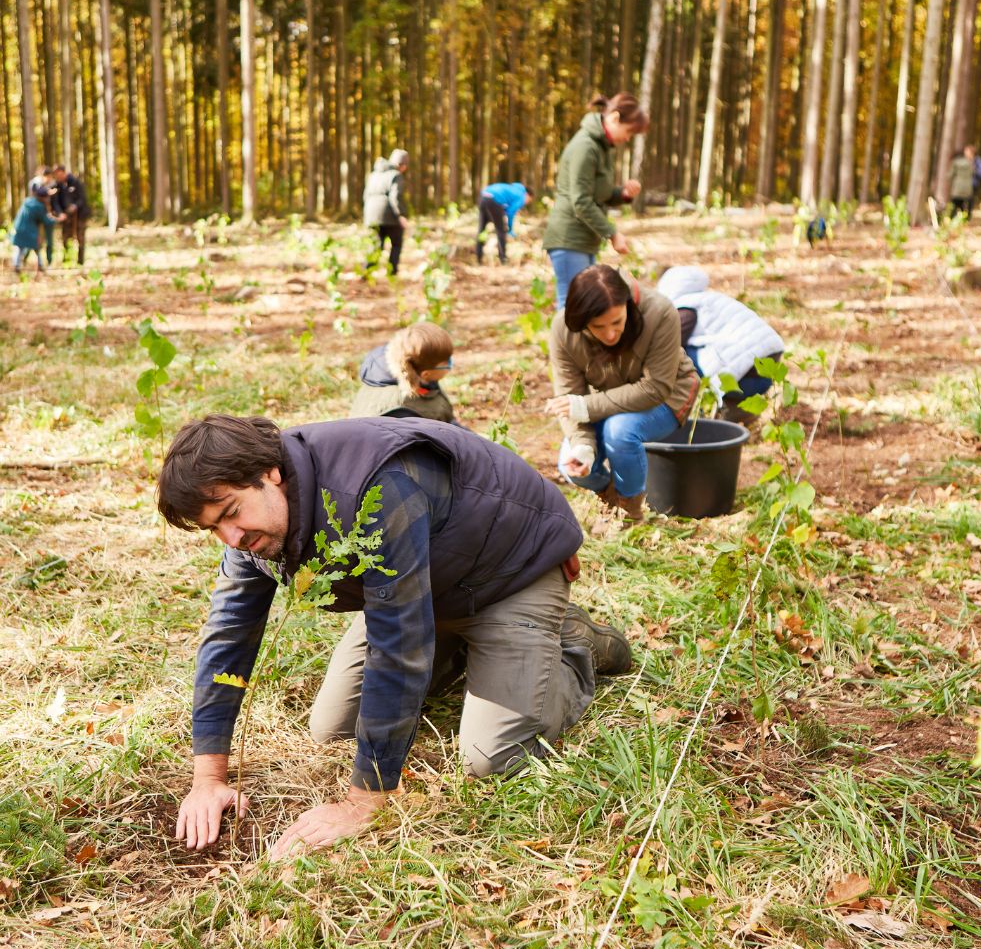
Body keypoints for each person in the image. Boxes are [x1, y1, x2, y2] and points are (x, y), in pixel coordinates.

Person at [158, 413, 632, 857]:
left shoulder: (374, 488)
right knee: (333, 728)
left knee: (490, 757)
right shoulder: (252, 528)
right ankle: (476, 651)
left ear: (270, 473)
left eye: (231, 513)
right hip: (422, 588)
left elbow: (399, 645)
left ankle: (571, 642)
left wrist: (365, 802)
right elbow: (229, 633)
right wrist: (208, 779)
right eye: (213, 528)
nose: (231, 538)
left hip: (509, 576)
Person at [545, 265, 699, 522]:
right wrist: (583, 445)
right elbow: (570, 396)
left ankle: (630, 514)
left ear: (627, 304)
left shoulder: (659, 312)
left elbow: (656, 387)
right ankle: (611, 497)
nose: (610, 334)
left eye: (617, 322)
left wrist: (586, 407)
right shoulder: (564, 331)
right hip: (611, 399)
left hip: (669, 395)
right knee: (570, 464)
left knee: (619, 432)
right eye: (598, 327)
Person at [542, 93, 649, 309]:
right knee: (573, 307)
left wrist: (624, 193)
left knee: (587, 306)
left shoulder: (602, 147)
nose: (627, 138)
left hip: (584, 240)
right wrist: (612, 233)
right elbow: (581, 201)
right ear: (615, 118)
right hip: (569, 238)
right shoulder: (585, 146)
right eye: (629, 132)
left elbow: (600, 194)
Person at [657, 266, 784, 425]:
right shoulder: (709, 301)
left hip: (744, 378)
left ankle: (689, 413)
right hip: (763, 377)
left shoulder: (685, 308)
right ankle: (735, 411)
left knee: (677, 355)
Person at [350, 321, 456, 422]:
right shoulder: (403, 410)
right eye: (447, 362)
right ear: (425, 374)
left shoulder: (391, 370)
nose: (451, 363)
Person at [363, 149, 409, 276]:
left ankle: (367, 272)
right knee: (396, 244)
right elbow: (395, 197)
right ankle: (392, 273)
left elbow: (365, 196)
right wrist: (401, 215)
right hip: (389, 215)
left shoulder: (374, 174)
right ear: (401, 165)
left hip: (371, 214)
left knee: (375, 245)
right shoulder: (396, 175)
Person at [10, 184, 64, 277]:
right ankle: (38, 265)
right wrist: (58, 219)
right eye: (46, 197)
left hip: (19, 227)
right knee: (35, 247)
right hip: (29, 230)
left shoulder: (28, 201)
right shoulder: (39, 206)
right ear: (42, 197)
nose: (48, 199)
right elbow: (46, 220)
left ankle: (18, 265)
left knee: (21, 247)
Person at [475, 182, 533, 264]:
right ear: (527, 195)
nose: (527, 202)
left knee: (481, 229)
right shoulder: (521, 196)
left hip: (483, 196)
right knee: (501, 230)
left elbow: (505, 209)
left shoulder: (512, 189)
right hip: (494, 200)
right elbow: (511, 212)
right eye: (529, 200)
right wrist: (510, 228)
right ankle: (503, 259)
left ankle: (478, 257)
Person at [52, 166, 91, 266]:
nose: (58, 177)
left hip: (80, 215)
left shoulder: (76, 182)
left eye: (59, 175)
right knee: (66, 238)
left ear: (63, 172)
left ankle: (80, 261)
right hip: (66, 216)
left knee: (80, 237)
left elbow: (83, 198)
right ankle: (67, 259)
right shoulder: (57, 185)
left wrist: (75, 206)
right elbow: (55, 202)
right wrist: (60, 213)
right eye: (56, 176)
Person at [947, 148, 976, 219]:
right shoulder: (970, 163)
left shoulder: (955, 163)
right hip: (967, 188)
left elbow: (950, 175)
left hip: (957, 188)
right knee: (965, 206)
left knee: (955, 206)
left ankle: (953, 219)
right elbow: (974, 172)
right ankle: (966, 218)